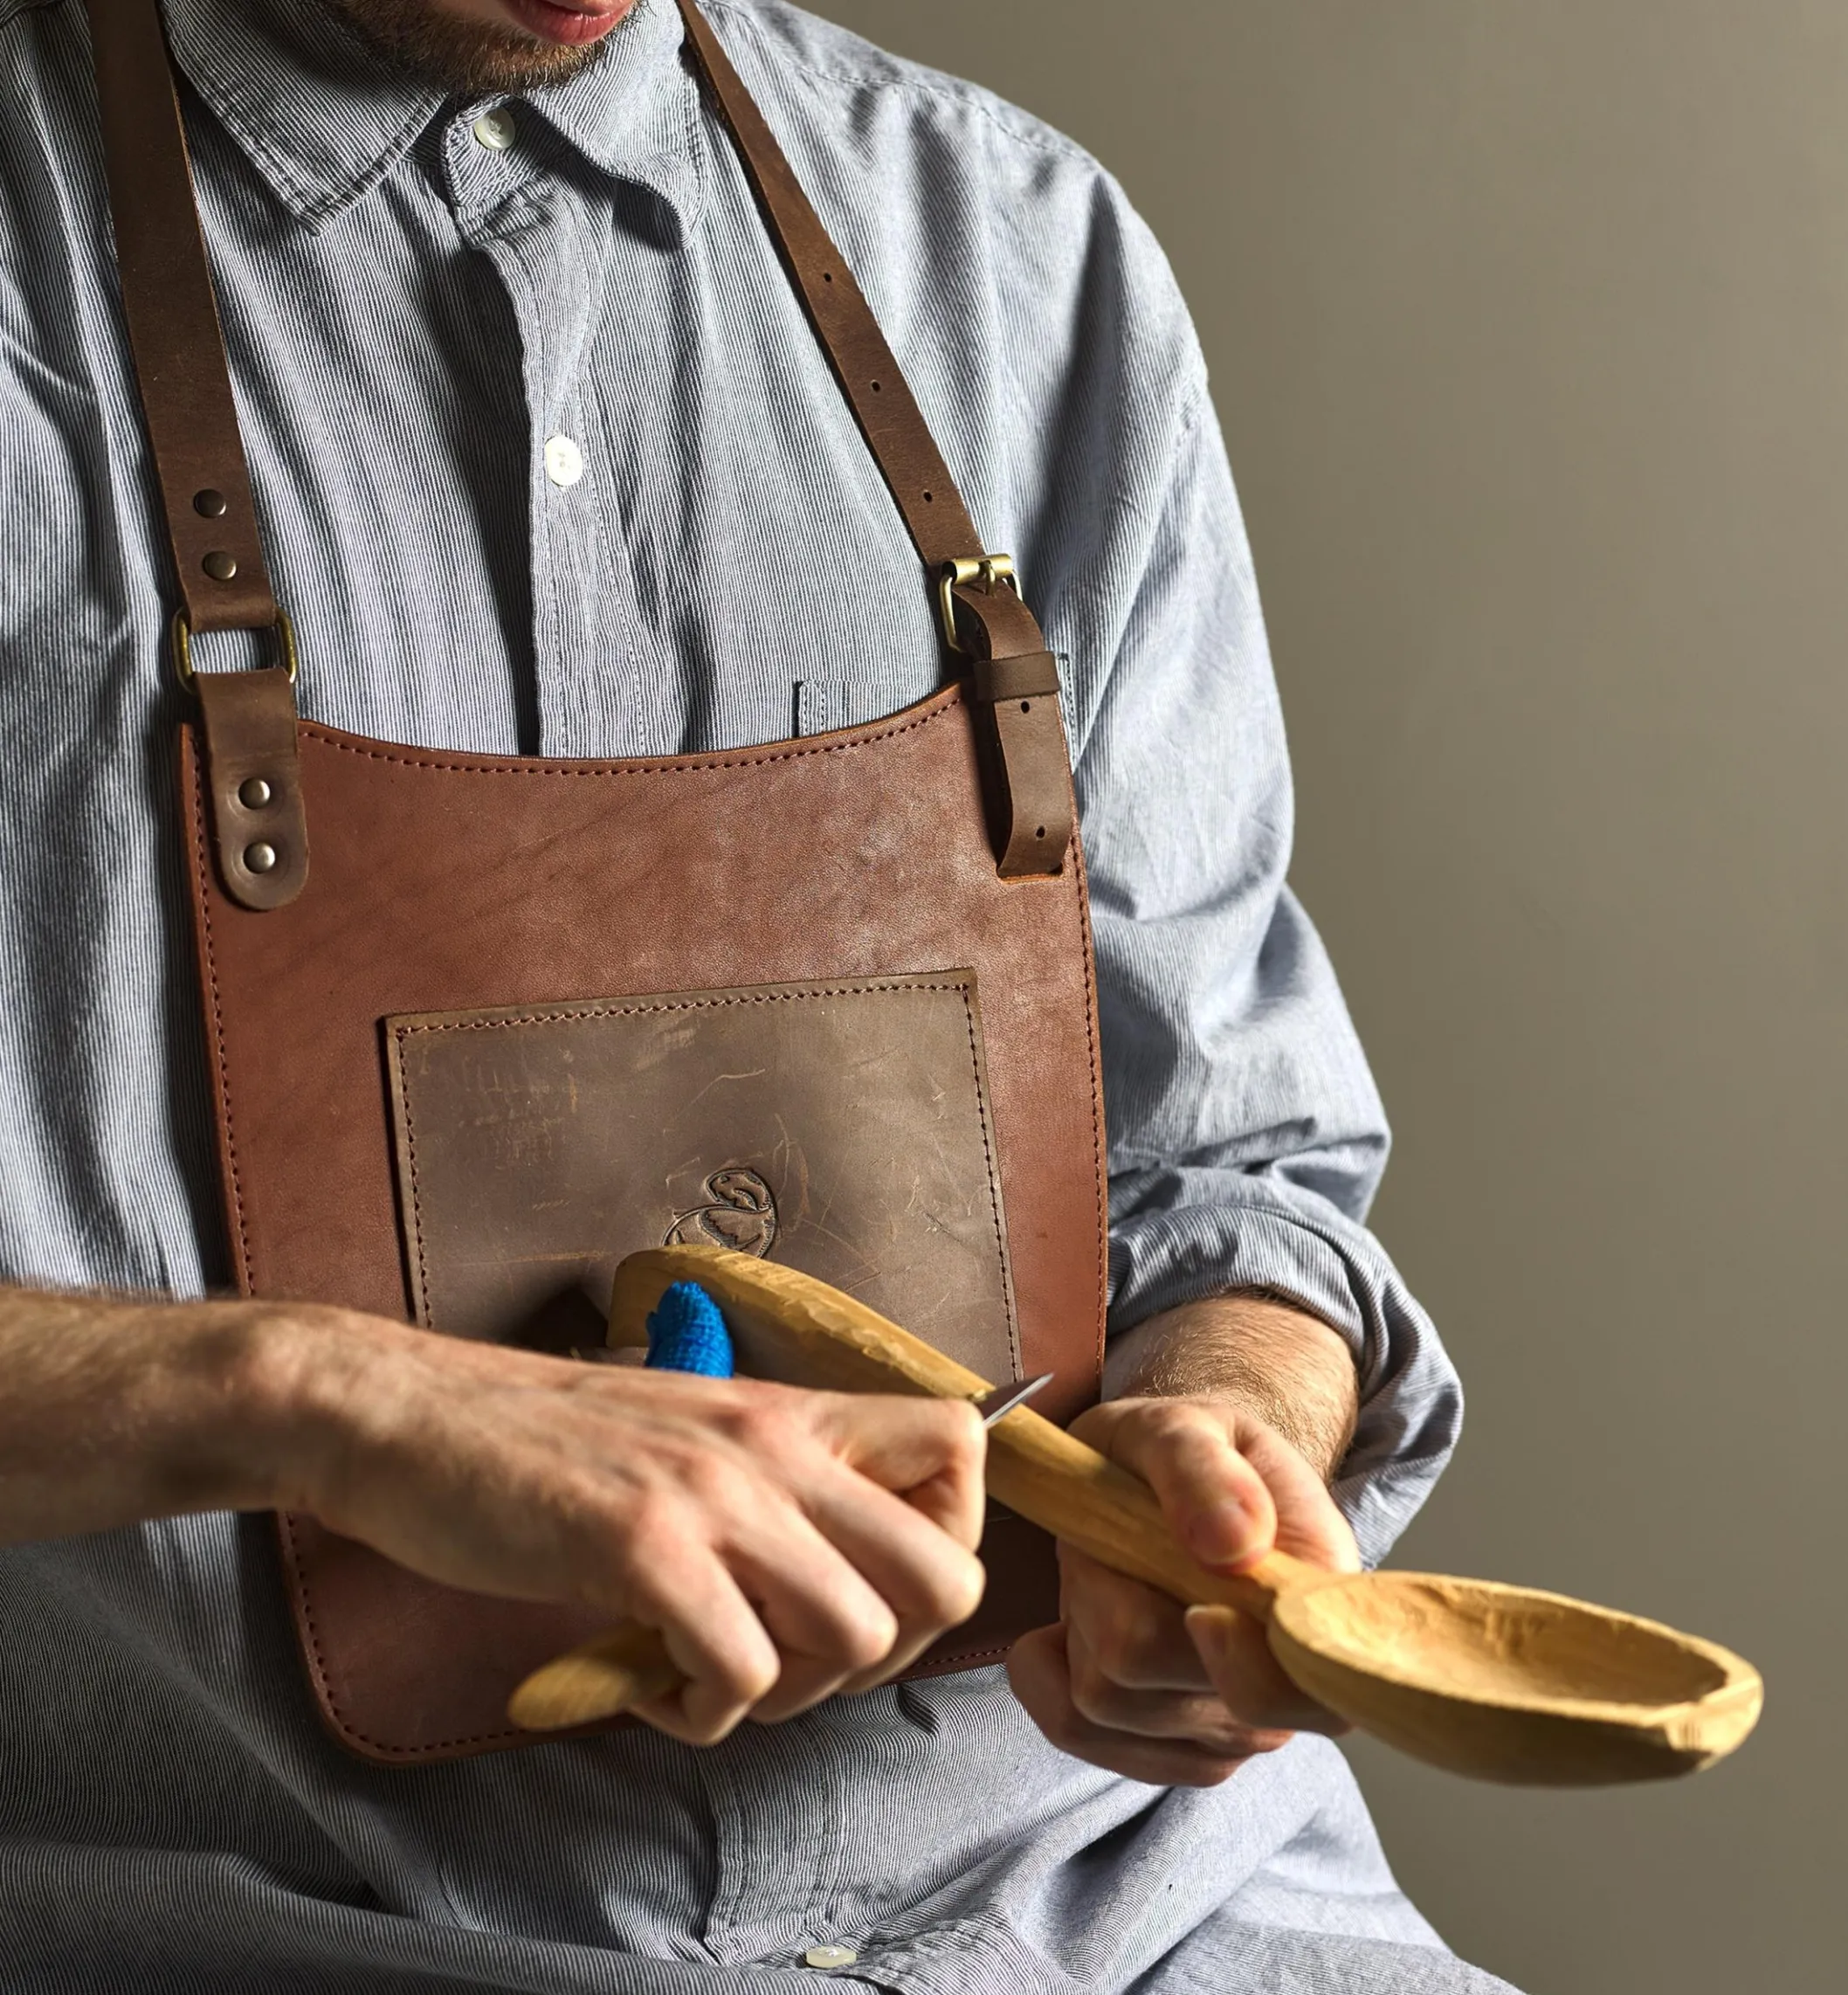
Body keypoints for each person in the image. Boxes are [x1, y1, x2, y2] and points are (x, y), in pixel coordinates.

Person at [0, 0, 1513, 1989]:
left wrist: (1222, 1438)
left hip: (1134, 1910)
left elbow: (1232, 1168)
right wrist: (312, 1398)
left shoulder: (1016, 253)